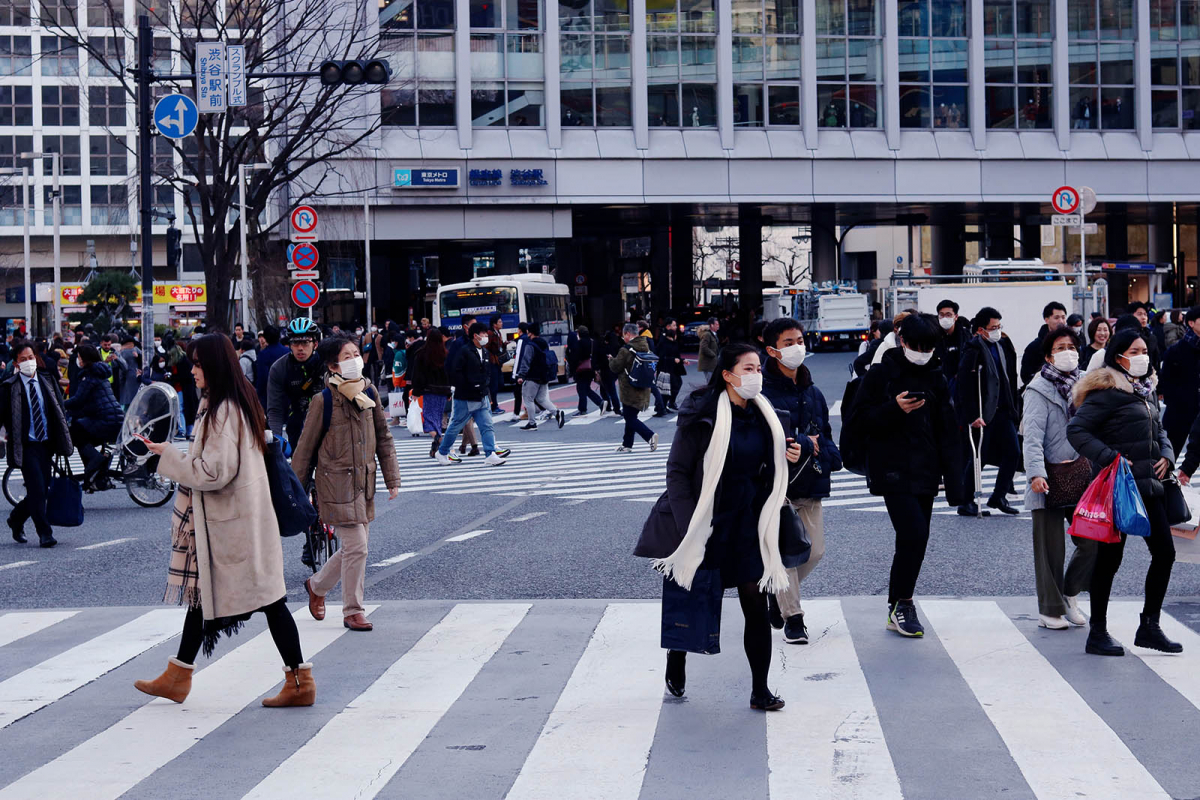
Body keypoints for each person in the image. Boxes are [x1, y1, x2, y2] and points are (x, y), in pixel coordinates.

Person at [135, 334, 315, 707]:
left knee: (268, 600)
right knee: (218, 598)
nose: (193, 371)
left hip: (233, 525)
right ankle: (179, 675)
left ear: (214, 366)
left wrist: (169, 456)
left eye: (199, 364)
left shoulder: (222, 410)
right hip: (240, 521)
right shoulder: (232, 400)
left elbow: (214, 472)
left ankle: (299, 682)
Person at [633, 343, 802, 710]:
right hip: (703, 520)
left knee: (755, 606)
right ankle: (676, 657)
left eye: (758, 367)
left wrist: (792, 456)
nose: (756, 375)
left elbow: (775, 472)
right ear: (727, 374)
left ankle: (760, 690)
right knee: (691, 598)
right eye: (748, 368)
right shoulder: (701, 414)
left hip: (748, 522)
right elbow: (677, 472)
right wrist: (688, 525)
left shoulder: (767, 415)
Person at [846, 314, 965, 637]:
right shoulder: (882, 374)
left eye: (928, 346)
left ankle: (897, 603)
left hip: (926, 469)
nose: (922, 351)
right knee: (914, 534)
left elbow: (947, 430)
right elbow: (858, 422)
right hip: (891, 468)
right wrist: (893, 409)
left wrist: (956, 482)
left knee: (915, 538)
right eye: (916, 345)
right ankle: (904, 604)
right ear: (902, 342)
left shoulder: (936, 376)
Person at [1067, 330, 1182, 657]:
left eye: (1145, 350)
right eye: (1135, 350)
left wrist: (1168, 456)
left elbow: (1160, 430)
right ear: (1119, 356)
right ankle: (1098, 632)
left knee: (1165, 553)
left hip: (1151, 486)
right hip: (1118, 487)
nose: (1142, 355)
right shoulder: (1107, 392)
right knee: (1108, 560)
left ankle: (1149, 625)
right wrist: (1110, 458)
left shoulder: (1145, 390)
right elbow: (1076, 430)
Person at [292, 337, 402, 632]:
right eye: (347, 355)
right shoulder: (323, 401)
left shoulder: (369, 392)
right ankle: (353, 610)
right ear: (332, 365)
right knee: (358, 547)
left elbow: (384, 437)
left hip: (364, 485)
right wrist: (296, 492)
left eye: (356, 353)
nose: (355, 359)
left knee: (354, 548)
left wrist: (392, 479)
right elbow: (305, 450)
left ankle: (316, 586)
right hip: (335, 486)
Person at [761, 318, 840, 645]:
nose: (797, 348)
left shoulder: (813, 391)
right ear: (772, 350)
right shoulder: (762, 391)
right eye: (788, 342)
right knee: (787, 552)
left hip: (810, 482)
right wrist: (807, 443)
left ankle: (776, 591)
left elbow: (826, 436)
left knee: (814, 552)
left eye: (799, 340)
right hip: (775, 486)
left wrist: (829, 454)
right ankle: (793, 617)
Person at [1021, 327, 1095, 630]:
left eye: (1072, 346)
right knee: (1050, 548)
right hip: (1050, 477)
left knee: (1092, 541)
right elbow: (1032, 437)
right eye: (1061, 347)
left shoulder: (1085, 385)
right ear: (1049, 354)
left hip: (1083, 472)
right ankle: (1049, 609)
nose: (1068, 351)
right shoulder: (1038, 389)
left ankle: (1069, 593)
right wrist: (1036, 473)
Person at [1, 341, 73, 548]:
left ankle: (16, 519)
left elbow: (59, 408)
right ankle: (45, 533)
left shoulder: (47, 380)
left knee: (42, 489)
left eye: (31, 358)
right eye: (23, 360)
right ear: (16, 363)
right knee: (38, 489)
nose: (28, 362)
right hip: (26, 445)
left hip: (47, 443)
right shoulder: (9, 387)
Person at [955, 306, 1022, 517]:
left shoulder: (1001, 345)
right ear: (981, 330)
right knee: (978, 457)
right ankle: (965, 501)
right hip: (983, 413)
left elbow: (1008, 377)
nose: (997, 331)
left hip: (1003, 410)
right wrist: (971, 415)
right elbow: (964, 386)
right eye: (993, 327)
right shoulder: (973, 350)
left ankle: (998, 496)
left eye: (999, 326)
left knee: (1014, 452)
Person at [435, 322, 511, 466]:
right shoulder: (464, 351)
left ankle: (490, 454)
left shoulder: (485, 351)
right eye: (483, 334)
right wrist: (468, 385)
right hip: (465, 396)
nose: (485, 336)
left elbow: (486, 371)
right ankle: (443, 451)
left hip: (481, 395)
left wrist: (485, 386)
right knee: (456, 426)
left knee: (487, 425)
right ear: (475, 336)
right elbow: (454, 372)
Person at [63, 344, 123, 492]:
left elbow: (78, 400)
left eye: (79, 357)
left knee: (75, 433)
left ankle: (97, 461)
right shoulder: (101, 373)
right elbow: (91, 403)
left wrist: (59, 404)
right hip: (115, 418)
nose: (78, 360)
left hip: (105, 420)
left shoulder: (89, 375)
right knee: (82, 433)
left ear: (84, 359)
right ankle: (94, 476)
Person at [266, 318, 323, 448]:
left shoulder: (327, 364)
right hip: (297, 426)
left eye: (305, 342)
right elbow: (275, 409)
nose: (300, 348)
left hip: (327, 426)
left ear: (315, 344)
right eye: (295, 343)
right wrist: (276, 439)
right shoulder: (279, 368)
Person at [610, 323, 659, 453]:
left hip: (629, 389)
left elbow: (615, 367)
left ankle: (649, 436)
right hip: (643, 387)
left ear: (627, 334)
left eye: (623, 335)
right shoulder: (646, 346)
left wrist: (611, 360)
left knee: (629, 417)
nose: (622, 338)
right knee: (630, 416)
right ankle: (627, 444)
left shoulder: (626, 350)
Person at [1159, 306, 1200, 455]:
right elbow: (1166, 379)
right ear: (1191, 323)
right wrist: (1176, 401)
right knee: (1169, 453)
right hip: (1180, 411)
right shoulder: (1176, 350)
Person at [407, 327, 452, 456]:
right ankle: (435, 448)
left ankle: (439, 439)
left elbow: (418, 375)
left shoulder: (422, 353)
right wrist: (448, 391)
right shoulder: (445, 353)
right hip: (442, 391)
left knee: (428, 419)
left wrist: (416, 391)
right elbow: (448, 375)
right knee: (437, 418)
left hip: (429, 390)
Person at [514, 323, 565, 431]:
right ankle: (557, 412)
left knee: (528, 399)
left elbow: (526, 361)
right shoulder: (544, 343)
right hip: (544, 375)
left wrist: (521, 375)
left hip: (532, 376)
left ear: (530, 332)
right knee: (541, 399)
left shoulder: (530, 345)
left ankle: (532, 423)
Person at [1020, 302, 1068, 387]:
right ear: (1046, 320)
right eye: (1056, 318)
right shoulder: (1034, 347)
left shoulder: (1070, 344)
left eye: (1063, 317)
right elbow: (1026, 376)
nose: (1061, 321)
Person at [935, 299, 970, 391]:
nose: (944, 318)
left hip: (961, 383)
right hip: (939, 382)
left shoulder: (965, 336)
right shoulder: (933, 336)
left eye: (948, 315)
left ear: (956, 316)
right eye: (941, 315)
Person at [570, 325, 605, 416]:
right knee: (586, 388)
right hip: (591, 368)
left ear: (579, 334)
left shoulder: (578, 343)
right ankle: (599, 402)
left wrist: (573, 369)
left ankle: (583, 409)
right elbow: (597, 355)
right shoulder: (593, 342)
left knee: (581, 388)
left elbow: (575, 357)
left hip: (581, 369)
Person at [656, 318, 686, 411]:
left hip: (674, 367)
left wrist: (682, 360)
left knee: (677, 383)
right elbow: (661, 356)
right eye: (674, 325)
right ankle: (662, 405)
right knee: (666, 386)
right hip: (666, 367)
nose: (676, 327)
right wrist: (674, 359)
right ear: (668, 326)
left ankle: (670, 402)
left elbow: (676, 351)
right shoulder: (663, 340)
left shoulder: (674, 338)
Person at [254, 325, 288, 407]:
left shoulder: (263, 354)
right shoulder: (288, 351)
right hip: (287, 394)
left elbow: (262, 378)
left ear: (266, 338)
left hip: (270, 397)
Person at [486, 315, 506, 414]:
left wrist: (504, 345)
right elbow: (487, 346)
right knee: (493, 385)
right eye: (499, 322)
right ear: (494, 324)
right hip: (492, 362)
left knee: (499, 383)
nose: (501, 323)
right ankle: (494, 406)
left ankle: (493, 404)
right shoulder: (490, 333)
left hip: (497, 361)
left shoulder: (498, 333)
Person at [116, 336, 142, 408]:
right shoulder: (138, 350)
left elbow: (123, 368)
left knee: (127, 401)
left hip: (127, 378)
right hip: (138, 376)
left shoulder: (123, 352)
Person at [697, 318, 720, 382]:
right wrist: (713, 355)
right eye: (716, 324)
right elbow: (703, 347)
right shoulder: (707, 334)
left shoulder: (713, 334)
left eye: (718, 324)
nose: (718, 326)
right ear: (711, 325)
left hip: (713, 364)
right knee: (711, 383)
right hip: (708, 364)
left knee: (713, 382)